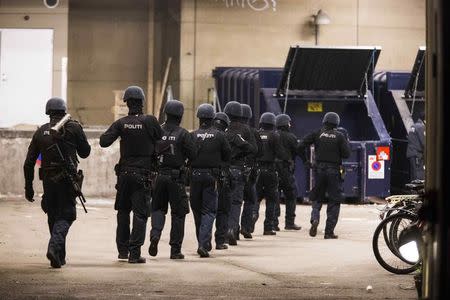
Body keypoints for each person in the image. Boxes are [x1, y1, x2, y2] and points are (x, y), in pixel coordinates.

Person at [23, 97, 91, 268]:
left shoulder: (41, 132)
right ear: (63, 110)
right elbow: (85, 152)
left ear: (48, 112)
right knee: (67, 215)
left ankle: (59, 257)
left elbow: (28, 163)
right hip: (67, 181)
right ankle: (54, 248)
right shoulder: (74, 127)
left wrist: (29, 188)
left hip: (48, 181)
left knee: (53, 215)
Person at [100, 86, 162, 263]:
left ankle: (122, 251)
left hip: (125, 175)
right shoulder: (150, 121)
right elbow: (162, 140)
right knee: (140, 214)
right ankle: (135, 254)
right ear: (142, 102)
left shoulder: (121, 123)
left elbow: (104, 142)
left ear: (126, 103)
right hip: (143, 175)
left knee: (123, 212)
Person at [149, 100, 196, 260]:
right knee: (178, 213)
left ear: (166, 114)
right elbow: (193, 155)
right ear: (180, 116)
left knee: (157, 208)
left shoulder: (157, 131)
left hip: (159, 176)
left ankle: (155, 235)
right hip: (176, 178)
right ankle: (175, 250)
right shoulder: (183, 134)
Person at [298, 112, 350, 239]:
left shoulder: (317, 133)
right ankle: (328, 232)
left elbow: (300, 146)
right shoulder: (340, 136)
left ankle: (315, 219)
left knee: (317, 197)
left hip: (319, 170)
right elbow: (346, 154)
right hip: (334, 171)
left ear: (324, 121)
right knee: (334, 200)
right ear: (336, 123)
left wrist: (306, 161)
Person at [190, 104, 231, 257]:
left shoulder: (192, 135)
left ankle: (202, 241)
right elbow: (228, 155)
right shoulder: (219, 136)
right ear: (213, 118)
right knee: (209, 211)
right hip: (211, 177)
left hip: (194, 176)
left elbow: (187, 154)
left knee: (196, 210)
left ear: (199, 118)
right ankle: (203, 243)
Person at [223, 101, 257, 245]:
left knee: (224, 203)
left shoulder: (223, 128)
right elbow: (254, 150)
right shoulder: (247, 130)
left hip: (224, 170)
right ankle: (233, 229)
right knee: (237, 202)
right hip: (239, 169)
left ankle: (222, 233)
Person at [254, 112, 284, 235]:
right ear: (273, 123)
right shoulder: (274, 136)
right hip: (270, 170)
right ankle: (268, 227)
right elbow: (281, 154)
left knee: (255, 197)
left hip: (256, 170)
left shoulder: (256, 134)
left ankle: (251, 218)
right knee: (271, 199)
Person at [274, 114, 302, 231]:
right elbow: (297, 151)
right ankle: (289, 222)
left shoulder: (273, 135)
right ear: (285, 124)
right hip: (286, 170)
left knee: (275, 195)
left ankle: (273, 223)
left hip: (273, 169)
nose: (290, 125)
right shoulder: (291, 137)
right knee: (291, 194)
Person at [239, 104, 262, 238]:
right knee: (250, 199)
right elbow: (260, 151)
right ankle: (246, 228)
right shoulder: (253, 132)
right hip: (249, 172)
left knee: (234, 201)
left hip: (233, 170)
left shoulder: (229, 130)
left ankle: (232, 229)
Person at [213, 112, 232, 250]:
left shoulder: (200, 135)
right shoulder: (224, 136)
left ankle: (203, 241)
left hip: (206, 176)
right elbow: (228, 155)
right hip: (223, 177)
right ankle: (220, 241)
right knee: (223, 210)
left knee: (205, 211)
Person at [406, 112, 425, 181]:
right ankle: (417, 191)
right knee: (418, 174)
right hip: (417, 154)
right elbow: (424, 142)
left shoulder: (413, 126)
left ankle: (412, 190)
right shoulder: (421, 127)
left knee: (413, 173)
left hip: (411, 153)